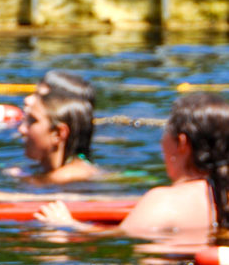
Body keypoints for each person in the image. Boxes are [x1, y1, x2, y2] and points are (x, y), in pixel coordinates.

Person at [35, 93, 229, 241]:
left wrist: (68, 225)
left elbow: (119, 236)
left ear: (182, 143)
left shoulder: (164, 201)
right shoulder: (224, 197)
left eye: (165, 132)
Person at [0, 71, 99, 201]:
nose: (21, 129)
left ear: (58, 134)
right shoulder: (48, 171)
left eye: (32, 121)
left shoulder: (72, 175)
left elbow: (55, 198)